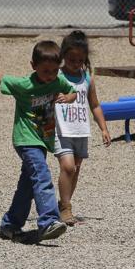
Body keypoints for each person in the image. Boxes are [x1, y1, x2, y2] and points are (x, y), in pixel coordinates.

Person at [0, 41, 78, 242]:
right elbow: (4, 78)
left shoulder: (56, 81)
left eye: (54, 71)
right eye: (45, 71)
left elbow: (72, 90)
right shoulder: (24, 85)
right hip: (25, 140)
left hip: (42, 140)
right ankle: (48, 221)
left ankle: (10, 224)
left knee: (28, 184)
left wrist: (68, 98)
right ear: (33, 65)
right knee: (42, 174)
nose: (50, 76)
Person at [53, 30, 111, 226]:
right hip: (61, 130)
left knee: (75, 169)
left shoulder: (87, 78)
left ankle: (64, 203)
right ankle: (65, 209)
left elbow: (95, 105)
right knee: (67, 167)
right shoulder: (57, 76)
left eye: (80, 60)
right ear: (63, 56)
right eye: (71, 59)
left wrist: (103, 128)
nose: (75, 63)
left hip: (80, 131)